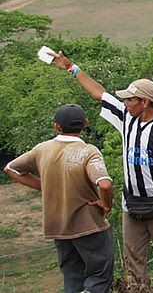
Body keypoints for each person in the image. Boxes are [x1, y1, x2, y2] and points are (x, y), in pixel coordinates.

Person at [48, 51, 153, 279]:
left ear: (145, 102)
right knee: (133, 262)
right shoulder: (128, 119)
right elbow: (100, 94)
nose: (126, 103)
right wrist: (70, 67)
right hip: (132, 205)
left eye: (130, 100)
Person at [4, 104, 114, 293]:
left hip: (58, 227)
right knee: (99, 276)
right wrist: (106, 203)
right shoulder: (88, 151)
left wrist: (43, 186)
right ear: (85, 124)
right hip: (88, 225)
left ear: (57, 126)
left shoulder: (42, 149)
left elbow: (11, 168)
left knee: (72, 277)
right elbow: (104, 184)